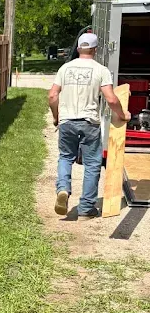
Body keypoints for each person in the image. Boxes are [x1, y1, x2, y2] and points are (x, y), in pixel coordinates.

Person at [48, 32, 128, 218]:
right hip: (89, 122)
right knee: (92, 164)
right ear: (95, 50)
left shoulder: (64, 68)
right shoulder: (101, 70)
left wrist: (56, 117)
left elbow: (52, 96)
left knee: (66, 157)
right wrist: (123, 114)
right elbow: (111, 99)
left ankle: (63, 189)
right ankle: (86, 209)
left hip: (67, 121)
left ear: (78, 48)